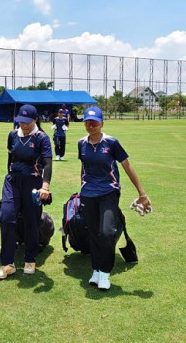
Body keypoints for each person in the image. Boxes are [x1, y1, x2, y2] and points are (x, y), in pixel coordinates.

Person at [78, 106, 151, 291]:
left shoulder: (111, 143)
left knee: (106, 232)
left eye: (95, 122)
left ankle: (105, 273)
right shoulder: (81, 143)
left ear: (102, 123)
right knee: (93, 233)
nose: (91, 126)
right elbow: (84, 167)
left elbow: (127, 166)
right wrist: (81, 188)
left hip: (108, 192)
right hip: (88, 194)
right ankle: (96, 270)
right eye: (88, 122)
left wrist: (142, 194)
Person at [0, 104, 53, 280]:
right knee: (6, 217)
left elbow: (47, 163)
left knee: (32, 221)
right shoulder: (12, 135)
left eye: (28, 122)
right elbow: (10, 158)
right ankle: (7, 264)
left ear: (35, 120)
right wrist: (11, 174)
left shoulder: (42, 138)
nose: (24, 125)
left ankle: (30, 260)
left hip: (33, 182)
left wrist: (45, 186)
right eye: (21, 121)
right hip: (12, 181)